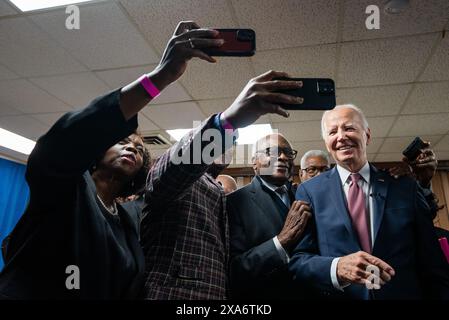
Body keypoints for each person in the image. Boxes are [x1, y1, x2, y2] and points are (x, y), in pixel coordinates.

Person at [0, 20, 224, 299]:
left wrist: (222, 132)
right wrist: (161, 77)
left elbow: (176, 171)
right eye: (122, 142)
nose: (132, 149)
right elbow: (61, 145)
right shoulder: (67, 188)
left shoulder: (129, 219)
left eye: (139, 149)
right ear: (96, 151)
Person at [141, 65, 304, 299]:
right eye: (223, 139)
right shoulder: (179, 176)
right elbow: (177, 167)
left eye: (231, 141)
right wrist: (226, 122)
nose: (227, 144)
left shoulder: (218, 190)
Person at [289, 104, 449, 299]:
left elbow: (432, 260)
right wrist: (336, 267)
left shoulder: (404, 187)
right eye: (332, 132)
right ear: (327, 142)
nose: (341, 136)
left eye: (349, 128)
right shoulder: (310, 192)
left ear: (367, 135)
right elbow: (298, 261)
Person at [227, 133, 311, 299]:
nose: (282, 157)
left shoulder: (305, 196)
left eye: (288, 152)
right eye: (271, 152)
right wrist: (280, 242)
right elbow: (233, 269)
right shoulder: (234, 202)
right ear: (255, 163)